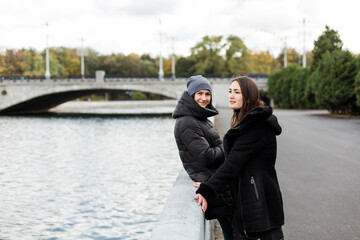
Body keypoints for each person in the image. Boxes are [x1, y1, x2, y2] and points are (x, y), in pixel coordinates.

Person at [195, 76, 284, 240]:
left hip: (259, 204)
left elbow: (231, 165)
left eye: (237, 92)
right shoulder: (245, 122)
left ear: (248, 96)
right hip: (252, 202)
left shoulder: (255, 127)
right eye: (230, 91)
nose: (231, 95)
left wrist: (206, 190)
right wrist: (209, 181)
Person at [172, 75, 235, 240]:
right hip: (213, 183)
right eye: (199, 94)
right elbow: (206, 157)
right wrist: (228, 146)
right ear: (191, 95)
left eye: (207, 94)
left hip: (218, 182)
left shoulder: (199, 118)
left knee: (234, 232)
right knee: (232, 232)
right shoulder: (187, 121)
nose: (204, 98)